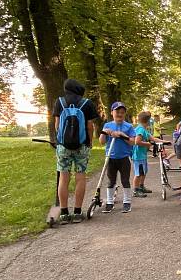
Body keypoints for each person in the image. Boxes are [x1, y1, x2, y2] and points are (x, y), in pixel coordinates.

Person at [53, 78, 100, 224]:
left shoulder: (59, 102)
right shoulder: (87, 103)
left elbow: (57, 125)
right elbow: (90, 126)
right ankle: (78, 212)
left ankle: (64, 213)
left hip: (63, 146)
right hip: (82, 146)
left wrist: (62, 140)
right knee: (80, 177)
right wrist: (90, 142)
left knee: (63, 178)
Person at [99, 102, 136, 213]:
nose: (119, 114)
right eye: (117, 112)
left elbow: (132, 142)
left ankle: (127, 202)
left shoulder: (128, 126)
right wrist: (105, 133)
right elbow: (101, 142)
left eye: (122, 112)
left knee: (125, 180)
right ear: (112, 113)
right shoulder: (107, 125)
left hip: (124, 158)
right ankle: (110, 202)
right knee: (111, 181)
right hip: (111, 158)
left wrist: (121, 135)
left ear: (124, 114)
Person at [132, 111, 165, 198]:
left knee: (144, 171)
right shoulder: (140, 129)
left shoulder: (144, 130)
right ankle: (136, 189)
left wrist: (164, 142)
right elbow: (137, 141)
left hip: (142, 155)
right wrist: (148, 144)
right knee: (138, 173)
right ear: (147, 121)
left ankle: (141, 186)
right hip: (138, 156)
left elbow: (153, 138)